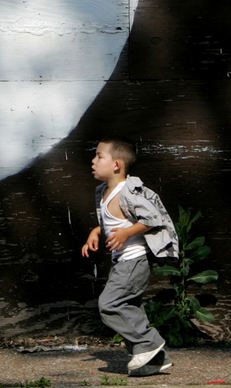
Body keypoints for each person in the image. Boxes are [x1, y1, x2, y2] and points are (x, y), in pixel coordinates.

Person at [81, 138, 178, 376]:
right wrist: (96, 231)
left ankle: (150, 342)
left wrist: (127, 233)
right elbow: (114, 222)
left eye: (99, 156)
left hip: (135, 261)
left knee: (110, 304)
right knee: (131, 307)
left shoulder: (128, 192)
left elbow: (153, 217)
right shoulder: (104, 193)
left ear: (116, 164)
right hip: (122, 262)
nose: (93, 161)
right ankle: (155, 359)